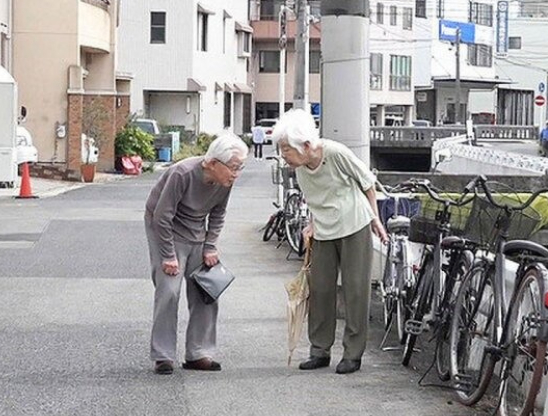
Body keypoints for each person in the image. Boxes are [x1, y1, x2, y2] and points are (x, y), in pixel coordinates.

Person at [272, 109, 388, 375]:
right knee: (321, 289)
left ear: (307, 145)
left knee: (355, 290)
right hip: (324, 229)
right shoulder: (300, 168)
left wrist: (375, 219)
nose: (283, 155)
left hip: (354, 224)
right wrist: (311, 223)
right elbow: (316, 198)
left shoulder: (335, 153)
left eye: (286, 149)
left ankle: (352, 353)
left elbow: (367, 182)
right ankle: (319, 350)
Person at [144, 132, 249, 375]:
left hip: (196, 231)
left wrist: (210, 246)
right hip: (164, 228)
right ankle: (163, 355)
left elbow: (218, 215)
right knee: (169, 290)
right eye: (233, 167)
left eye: (240, 168)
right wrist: (168, 255)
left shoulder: (225, 182)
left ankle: (199, 353)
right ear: (212, 163)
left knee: (207, 289)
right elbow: (162, 217)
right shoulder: (182, 173)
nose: (236, 173)